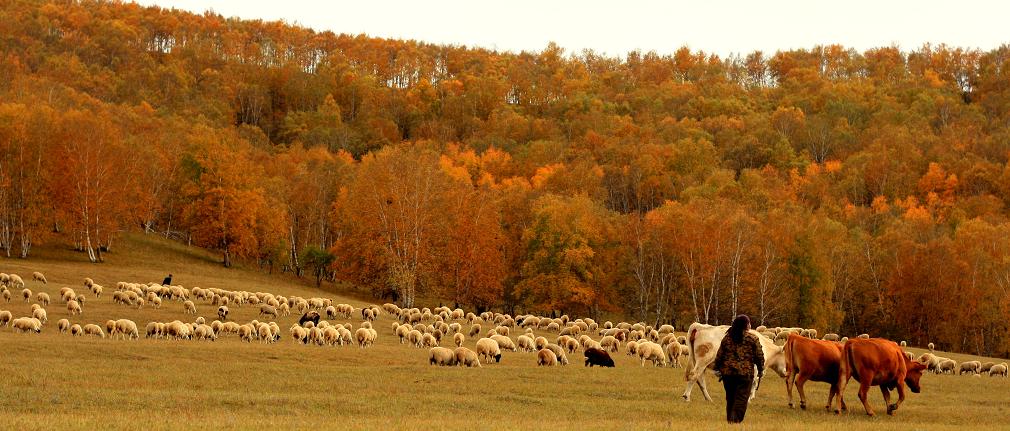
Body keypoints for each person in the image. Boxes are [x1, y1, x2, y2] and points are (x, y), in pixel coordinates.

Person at [713, 314, 765, 424]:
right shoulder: (752, 339)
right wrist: (761, 369)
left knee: (731, 398)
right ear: (745, 325)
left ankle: (729, 421)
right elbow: (759, 356)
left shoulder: (727, 338)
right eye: (749, 323)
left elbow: (720, 354)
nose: (750, 325)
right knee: (741, 399)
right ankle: (734, 421)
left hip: (728, 375)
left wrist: (717, 368)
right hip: (744, 374)